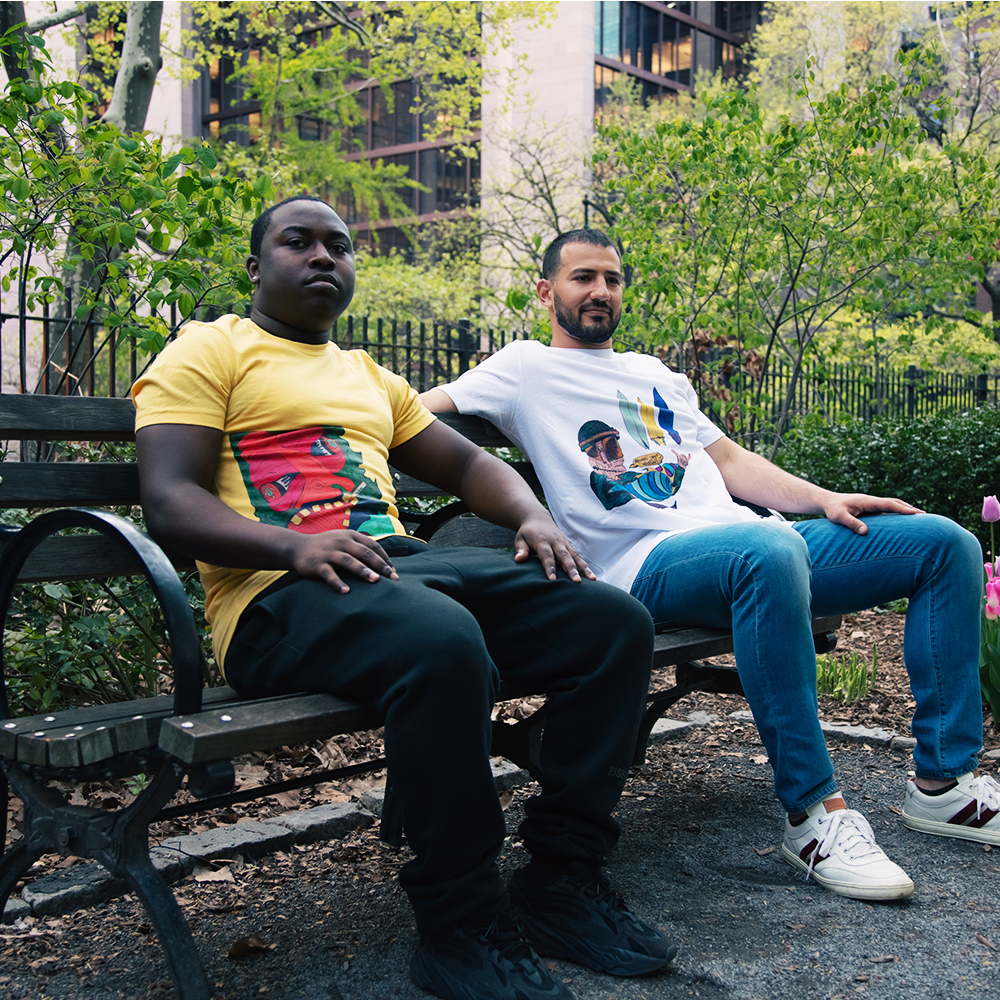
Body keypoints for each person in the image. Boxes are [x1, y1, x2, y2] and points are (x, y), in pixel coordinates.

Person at [131, 199, 677, 1000]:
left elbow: (466, 467)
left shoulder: (366, 376)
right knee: (442, 637)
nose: (323, 256)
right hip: (278, 596)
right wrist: (295, 543)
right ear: (256, 268)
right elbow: (171, 502)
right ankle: (460, 921)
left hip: (397, 572)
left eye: (340, 246)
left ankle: (563, 877)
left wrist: (531, 516)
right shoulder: (209, 351)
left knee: (611, 622)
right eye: (299, 242)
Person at [421, 228, 1000, 903]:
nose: (600, 291)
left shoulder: (657, 375)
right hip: (647, 564)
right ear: (548, 291)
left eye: (611, 278)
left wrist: (823, 499)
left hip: (750, 544)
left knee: (945, 544)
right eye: (582, 278)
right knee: (771, 551)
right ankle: (816, 815)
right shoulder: (522, 367)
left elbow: (729, 464)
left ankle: (943, 784)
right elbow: (414, 413)